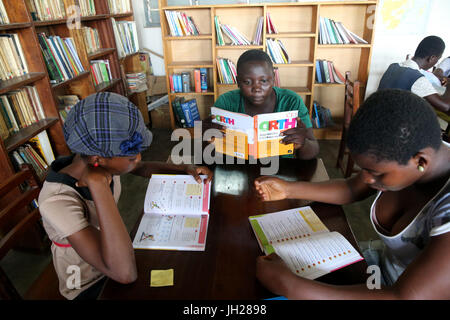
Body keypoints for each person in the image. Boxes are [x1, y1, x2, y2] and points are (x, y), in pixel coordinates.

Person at [254, 89, 450, 299]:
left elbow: (403, 297)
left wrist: (289, 285)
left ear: (420, 161)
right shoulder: (405, 157)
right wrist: (288, 189)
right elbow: (351, 188)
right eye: (363, 169)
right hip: (377, 271)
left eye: (374, 173)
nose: (366, 179)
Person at [38, 92, 213, 300]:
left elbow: (142, 167)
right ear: (97, 159)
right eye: (131, 156)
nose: (137, 159)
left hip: (118, 252)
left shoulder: (98, 160)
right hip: (88, 284)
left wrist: (184, 169)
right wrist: (98, 185)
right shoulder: (57, 200)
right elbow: (124, 273)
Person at [211, 49, 319, 160]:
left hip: (281, 171)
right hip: (236, 167)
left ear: (273, 78)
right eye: (247, 82)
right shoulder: (225, 102)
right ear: (238, 81)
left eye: (263, 81)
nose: (256, 89)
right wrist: (207, 137)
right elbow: (210, 154)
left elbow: (313, 151)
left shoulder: (292, 101)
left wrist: (303, 143)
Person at [378, 35, 450, 116]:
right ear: (432, 58)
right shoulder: (417, 78)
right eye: (438, 59)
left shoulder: (393, 66)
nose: (436, 63)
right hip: (394, 122)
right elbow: (445, 106)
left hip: (378, 115)